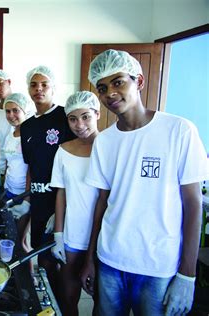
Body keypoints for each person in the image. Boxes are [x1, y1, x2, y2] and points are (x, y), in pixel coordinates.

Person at [80, 49, 208, 316]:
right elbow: (101, 203)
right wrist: (90, 258)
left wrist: (187, 275)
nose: (110, 94)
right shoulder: (104, 141)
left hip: (158, 267)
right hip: (110, 260)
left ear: (138, 81)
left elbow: (194, 206)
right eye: (102, 88)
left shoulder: (179, 131)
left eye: (118, 82)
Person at [20, 65, 76, 307]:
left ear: (54, 87)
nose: (39, 89)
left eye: (44, 84)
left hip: (65, 204)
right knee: (44, 265)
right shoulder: (27, 126)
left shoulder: (66, 117)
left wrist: (67, 207)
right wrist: (28, 200)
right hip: (40, 204)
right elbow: (31, 166)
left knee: (66, 273)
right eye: (34, 84)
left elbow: (78, 160)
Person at [49, 91, 100, 316]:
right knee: (68, 297)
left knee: (102, 300)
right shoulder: (63, 151)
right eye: (73, 118)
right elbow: (61, 192)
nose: (79, 124)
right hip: (72, 235)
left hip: (102, 238)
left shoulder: (110, 147)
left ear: (97, 113)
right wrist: (58, 234)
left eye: (86, 116)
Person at [1, 92, 32, 252]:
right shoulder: (10, 134)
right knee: (9, 238)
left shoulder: (30, 135)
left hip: (23, 195)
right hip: (9, 193)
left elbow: (32, 169)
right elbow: (8, 163)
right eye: (8, 111)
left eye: (15, 110)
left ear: (25, 110)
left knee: (19, 241)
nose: (11, 115)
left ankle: (29, 277)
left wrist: (27, 200)